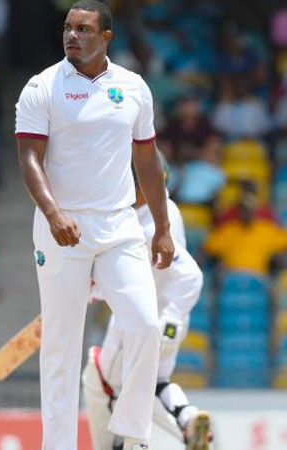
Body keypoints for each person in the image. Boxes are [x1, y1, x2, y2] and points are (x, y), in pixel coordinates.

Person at [14, 2, 173, 449]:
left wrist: (160, 227)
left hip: (120, 225)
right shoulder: (41, 86)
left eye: (83, 29)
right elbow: (29, 157)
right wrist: (53, 213)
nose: (72, 36)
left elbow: (147, 159)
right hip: (62, 229)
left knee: (144, 325)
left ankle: (129, 433)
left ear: (106, 37)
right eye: (68, 28)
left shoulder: (133, 87)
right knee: (61, 345)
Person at [82, 159, 212, 450]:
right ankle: (186, 417)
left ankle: (123, 444)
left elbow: (190, 275)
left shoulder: (146, 223)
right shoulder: (168, 210)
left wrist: (95, 286)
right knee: (156, 383)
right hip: (168, 322)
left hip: (142, 322)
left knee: (100, 380)